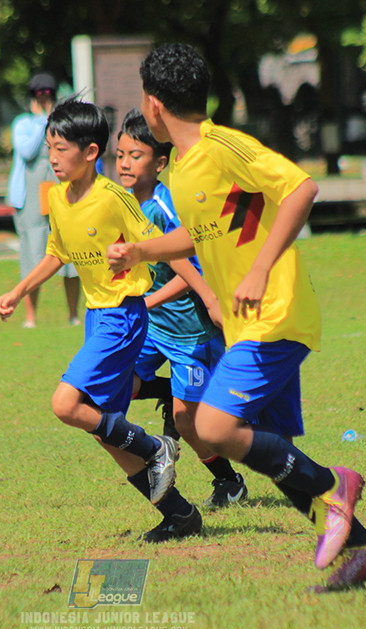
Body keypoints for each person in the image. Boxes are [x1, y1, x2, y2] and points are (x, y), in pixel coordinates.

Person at [108, 43, 366, 590]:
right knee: (270, 449)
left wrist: (260, 267)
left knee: (215, 427)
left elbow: (301, 188)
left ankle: (338, 484)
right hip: (247, 323)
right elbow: (200, 233)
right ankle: (365, 550)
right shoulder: (187, 171)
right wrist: (143, 251)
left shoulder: (221, 146)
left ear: (154, 105)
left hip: (276, 311)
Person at [0, 97, 203, 543]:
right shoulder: (59, 197)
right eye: (49, 147)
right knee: (104, 428)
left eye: (62, 148)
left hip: (124, 317)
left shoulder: (113, 199)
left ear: (90, 152)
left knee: (66, 405)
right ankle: (179, 514)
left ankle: (156, 447)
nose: (52, 157)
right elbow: (57, 252)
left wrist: (200, 288)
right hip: (96, 317)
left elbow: (167, 244)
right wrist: (19, 292)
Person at [115, 108, 249, 509]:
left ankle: (229, 483)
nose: (123, 163)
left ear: (160, 163)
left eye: (134, 156)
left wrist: (207, 300)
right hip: (153, 327)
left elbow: (187, 268)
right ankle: (170, 397)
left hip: (188, 331)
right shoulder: (124, 202)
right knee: (120, 382)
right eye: (119, 154)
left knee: (190, 422)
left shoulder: (163, 207)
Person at [7, 72, 82, 328]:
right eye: (39, 94)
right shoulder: (23, 124)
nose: (44, 98)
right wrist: (44, 121)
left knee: (70, 251)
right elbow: (26, 151)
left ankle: (73, 314)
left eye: (48, 94)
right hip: (30, 194)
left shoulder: (63, 124)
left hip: (61, 189)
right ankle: (30, 317)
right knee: (32, 254)